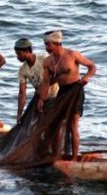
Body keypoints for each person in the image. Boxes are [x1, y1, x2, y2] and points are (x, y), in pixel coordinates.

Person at [37, 30, 96, 161]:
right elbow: (46, 82)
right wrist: (41, 99)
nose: (46, 48)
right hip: (62, 92)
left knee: (72, 125)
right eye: (45, 44)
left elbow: (92, 66)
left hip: (76, 89)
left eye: (48, 44)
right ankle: (56, 154)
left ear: (57, 43)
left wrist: (87, 77)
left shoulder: (72, 55)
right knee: (55, 124)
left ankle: (74, 158)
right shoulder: (48, 61)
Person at [14, 38, 59, 124]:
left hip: (54, 96)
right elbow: (22, 92)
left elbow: (57, 76)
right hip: (40, 99)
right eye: (16, 54)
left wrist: (42, 88)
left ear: (27, 51)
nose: (18, 57)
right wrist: (19, 113)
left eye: (19, 54)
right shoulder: (22, 70)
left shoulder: (44, 59)